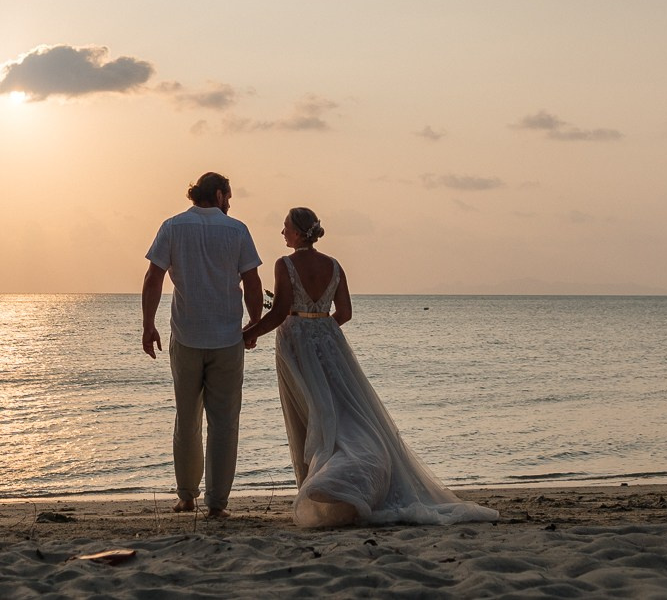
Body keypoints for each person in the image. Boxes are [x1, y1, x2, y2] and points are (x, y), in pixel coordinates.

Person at [241, 206, 497, 528]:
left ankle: (323, 487)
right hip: (331, 344)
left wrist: (248, 335)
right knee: (341, 412)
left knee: (308, 413)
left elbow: (279, 312)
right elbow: (344, 312)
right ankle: (330, 486)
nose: (282, 233)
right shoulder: (334, 266)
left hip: (296, 345)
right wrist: (322, 330)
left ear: (297, 233)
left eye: (285, 227)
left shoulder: (285, 264)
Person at [141, 171, 264, 518]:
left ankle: (185, 496)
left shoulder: (173, 226)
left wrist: (148, 325)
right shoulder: (237, 229)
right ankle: (217, 504)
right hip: (227, 338)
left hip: (187, 336)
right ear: (220, 194)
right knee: (225, 423)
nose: (231, 201)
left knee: (187, 419)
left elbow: (154, 277)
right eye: (230, 195)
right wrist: (254, 323)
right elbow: (252, 281)